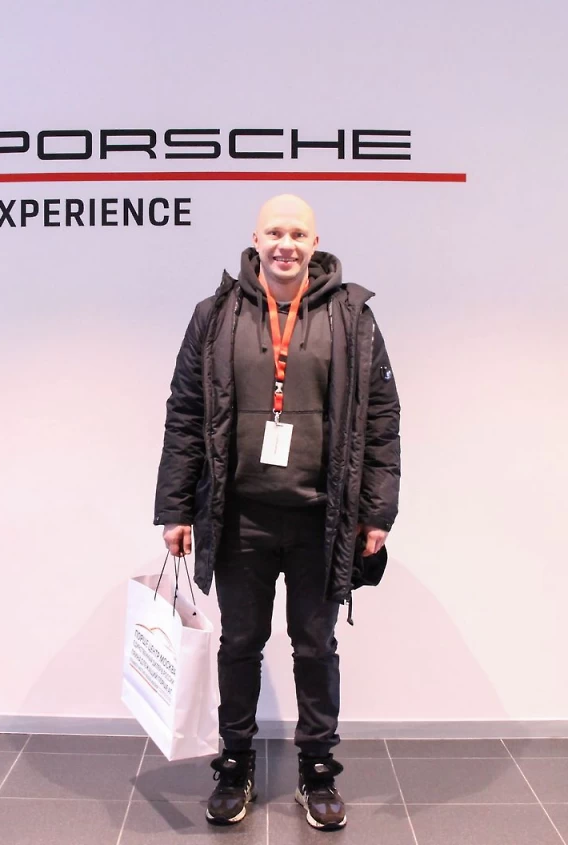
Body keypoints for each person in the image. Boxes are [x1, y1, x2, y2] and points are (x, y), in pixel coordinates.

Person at [154, 194, 400, 831]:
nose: (285, 244)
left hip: (323, 518)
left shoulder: (353, 317)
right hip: (239, 517)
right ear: (255, 240)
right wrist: (175, 508)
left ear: (315, 243)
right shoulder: (214, 316)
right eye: (274, 232)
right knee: (239, 644)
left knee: (316, 646)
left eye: (297, 233)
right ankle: (234, 764)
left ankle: (317, 770)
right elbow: (185, 414)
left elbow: (381, 419)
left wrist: (377, 512)